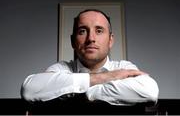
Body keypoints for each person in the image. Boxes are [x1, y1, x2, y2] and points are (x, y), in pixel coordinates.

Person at [21, 9, 159, 106]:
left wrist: (87, 92)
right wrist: (104, 78)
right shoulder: (62, 68)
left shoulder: (123, 67)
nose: (91, 38)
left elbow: (150, 91)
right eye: (82, 31)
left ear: (110, 40)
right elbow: (29, 89)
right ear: (73, 41)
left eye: (99, 31)